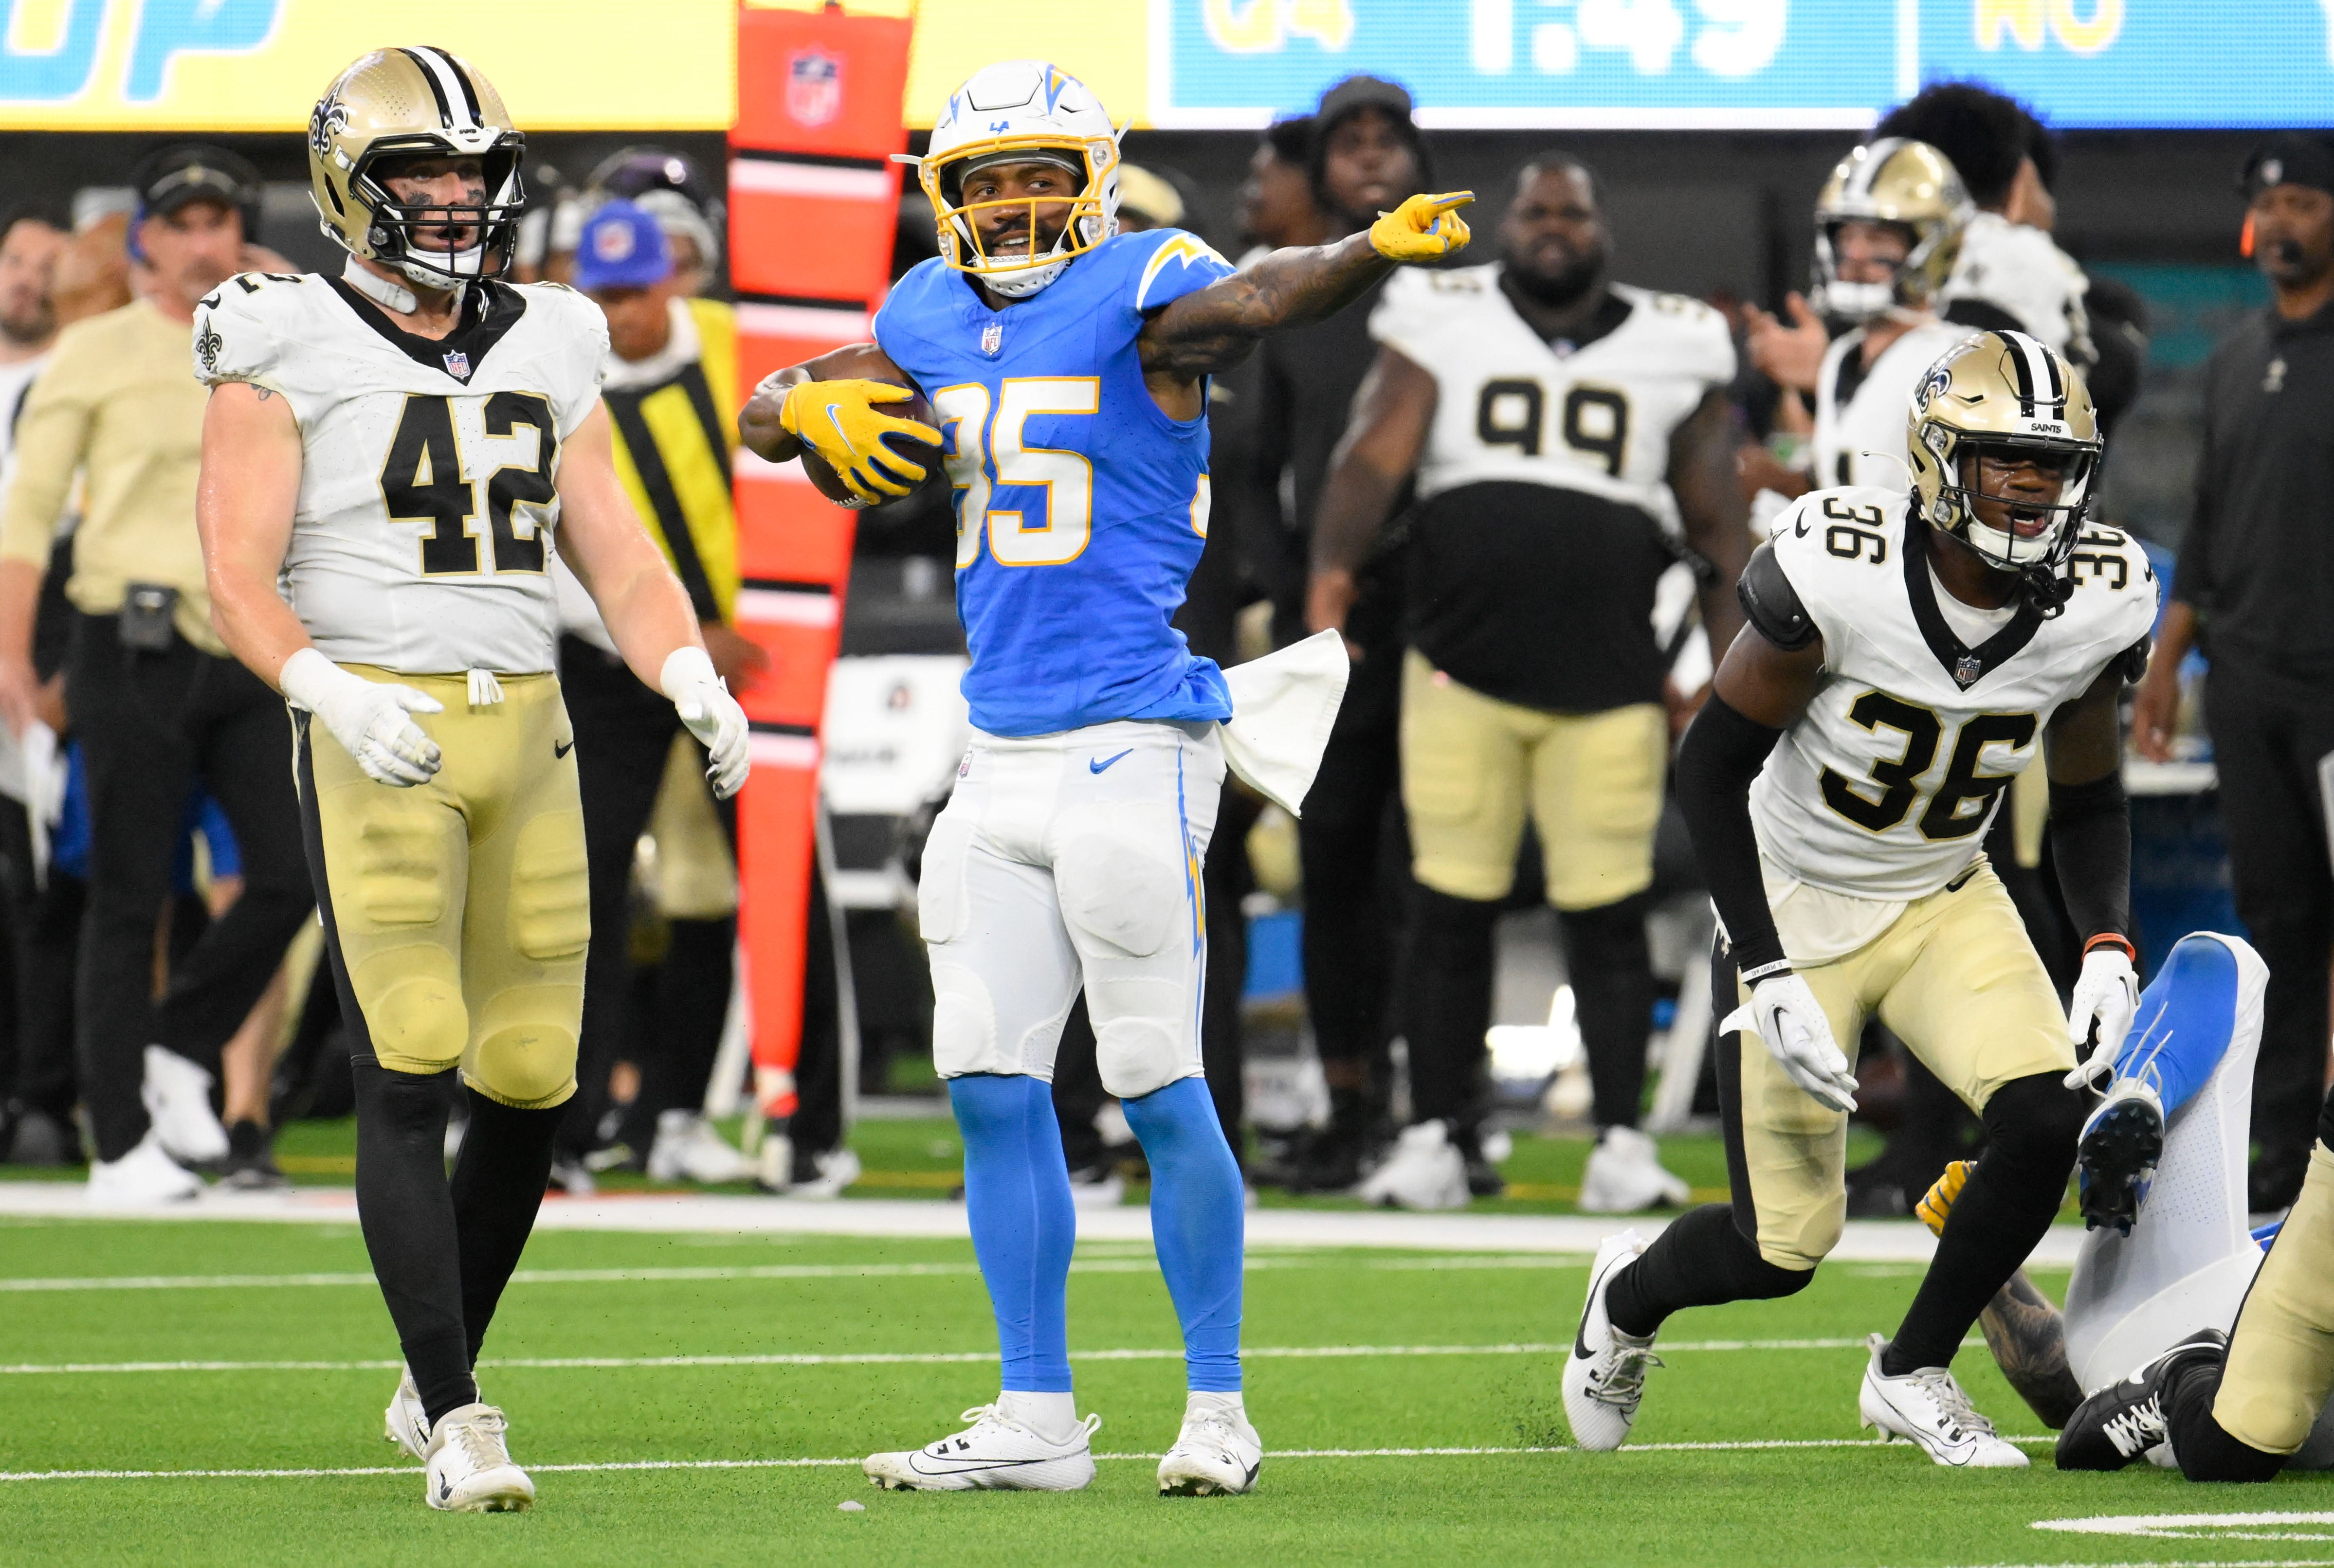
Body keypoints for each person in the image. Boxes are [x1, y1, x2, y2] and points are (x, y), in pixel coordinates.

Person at [739, 57, 1468, 1497]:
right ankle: (1033, 1414)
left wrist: (1360, 246)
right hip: (993, 745)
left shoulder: (1145, 291)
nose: (1009, 204)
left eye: (1034, 176)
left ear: (1088, 182)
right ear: (942, 199)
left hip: (1133, 740)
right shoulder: (925, 313)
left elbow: (1257, 298)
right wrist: (789, 406)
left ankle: (1215, 1404)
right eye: (982, 181)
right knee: (989, 1084)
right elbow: (774, 409)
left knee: (1150, 1076)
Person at [193, 46, 748, 1512]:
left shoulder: (557, 334)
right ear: (346, 184)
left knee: (531, 1076)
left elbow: (613, 546)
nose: (448, 198)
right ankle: (456, 1411)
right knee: (410, 1051)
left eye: (466, 172)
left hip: (534, 723)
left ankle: (428, 1367)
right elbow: (234, 575)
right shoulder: (279, 335)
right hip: (377, 714)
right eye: (416, 173)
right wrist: (324, 688)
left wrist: (681, 668)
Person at [1564, 329, 2156, 1469]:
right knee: (1780, 1250)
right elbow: (1706, 767)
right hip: (1794, 894)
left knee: (2042, 1117)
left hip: (1943, 891)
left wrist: (2106, 943)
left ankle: (1912, 1367)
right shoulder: (1841, 567)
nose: (2033, 488)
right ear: (1940, 461)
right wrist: (1765, 963)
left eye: (2052, 463)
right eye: (2004, 461)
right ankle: (1626, 1301)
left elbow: (2089, 796)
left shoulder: (2097, 597)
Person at [1309, 153, 1746, 1212]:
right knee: (1445, 906)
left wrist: (1732, 669)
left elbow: (1716, 522)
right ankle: (1432, 1136)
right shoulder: (1440, 309)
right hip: (1459, 665)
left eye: (1573, 211)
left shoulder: (1676, 341)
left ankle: (1619, 1139)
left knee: (1606, 915)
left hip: (1610, 676)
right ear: (1509, 224)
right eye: (1536, 209)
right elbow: (1373, 457)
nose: (1553, 225)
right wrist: (1327, 581)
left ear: (1601, 229)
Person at [0, 146, 316, 1202]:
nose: (199, 243)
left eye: (218, 223)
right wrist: (8, 654)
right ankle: (122, 1143)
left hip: (250, 641)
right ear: (143, 237)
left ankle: (180, 1049)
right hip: (127, 644)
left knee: (289, 873)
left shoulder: (287, 341)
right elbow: (28, 517)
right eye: (178, 224)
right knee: (128, 897)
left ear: (242, 234)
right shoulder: (92, 353)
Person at [2132, 133, 2334, 1216]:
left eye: (2306, 200)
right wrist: (2168, 665)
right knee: (2282, 921)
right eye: (2274, 205)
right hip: (2248, 682)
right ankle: (2286, 1154)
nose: (2285, 223)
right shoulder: (2230, 358)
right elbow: (2203, 529)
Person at [554, 199, 762, 1190]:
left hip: (756, 654)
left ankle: (705, 1114)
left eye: (635, 291)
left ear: (674, 279)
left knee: (752, 888)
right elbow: (558, 545)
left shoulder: (736, 343)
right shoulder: (558, 367)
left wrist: (762, 620)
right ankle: (565, 1125)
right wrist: (671, 645)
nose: (621, 313)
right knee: (577, 889)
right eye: (602, 293)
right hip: (608, 657)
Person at [1258, 74, 1435, 1192]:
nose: (1370, 156)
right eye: (1349, 141)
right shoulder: (1288, 299)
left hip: (1437, 614)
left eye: (1389, 138)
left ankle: (1430, 1112)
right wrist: (1292, 609)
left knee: (1427, 877)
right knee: (1329, 869)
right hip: (1323, 624)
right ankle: (1349, 1098)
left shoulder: (1464, 298)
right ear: (1324, 168)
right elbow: (1262, 472)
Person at [2055, 937, 2334, 1481]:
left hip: (2153, 1323)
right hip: (2204, 1315)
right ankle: (2136, 1089)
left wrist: (1990, 1277)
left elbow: (2061, 1390)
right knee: (2221, 959)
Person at [1748, 140, 1973, 496]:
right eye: (1847, 235)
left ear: (1936, 245)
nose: (1854, 253)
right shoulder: (1842, 356)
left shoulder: (1958, 361)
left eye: (1878, 237)